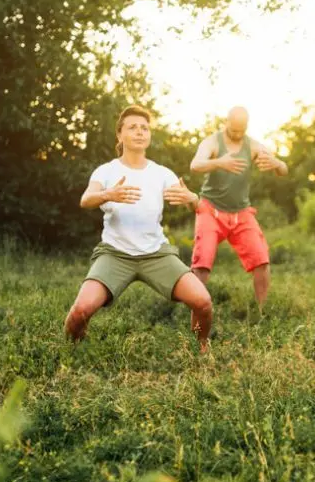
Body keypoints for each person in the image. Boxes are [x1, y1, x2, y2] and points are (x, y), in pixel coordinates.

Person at [63, 105, 213, 350]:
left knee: (203, 302)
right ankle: (71, 349)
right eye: (132, 127)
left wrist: (192, 198)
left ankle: (202, 348)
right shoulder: (107, 171)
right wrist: (108, 194)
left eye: (144, 128)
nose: (140, 132)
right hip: (115, 253)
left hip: (156, 253)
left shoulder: (161, 173)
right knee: (80, 310)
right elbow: (85, 200)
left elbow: (193, 205)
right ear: (120, 135)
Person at [189, 107, 288, 311]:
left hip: (241, 213)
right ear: (226, 122)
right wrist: (219, 162)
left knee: (262, 262)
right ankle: (195, 311)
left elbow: (283, 170)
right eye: (233, 130)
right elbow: (195, 165)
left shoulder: (252, 145)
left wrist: (276, 163)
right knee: (202, 265)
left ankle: (262, 312)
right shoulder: (213, 142)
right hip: (210, 210)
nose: (236, 134)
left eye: (240, 130)